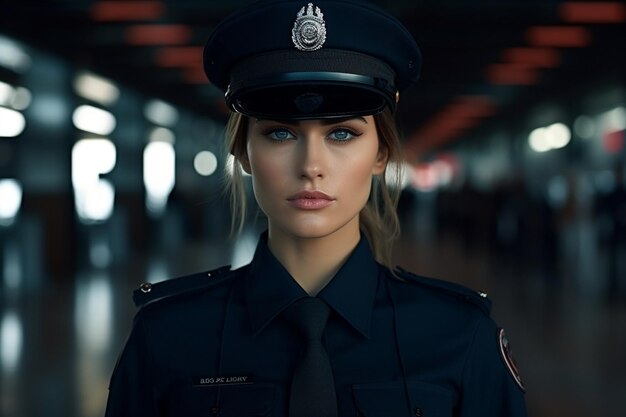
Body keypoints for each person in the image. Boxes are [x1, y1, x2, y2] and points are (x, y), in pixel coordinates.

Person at [104, 1, 528, 416]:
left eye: (342, 134)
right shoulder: (167, 336)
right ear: (244, 154)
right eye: (280, 134)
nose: (311, 167)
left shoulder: (459, 335)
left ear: (381, 154)